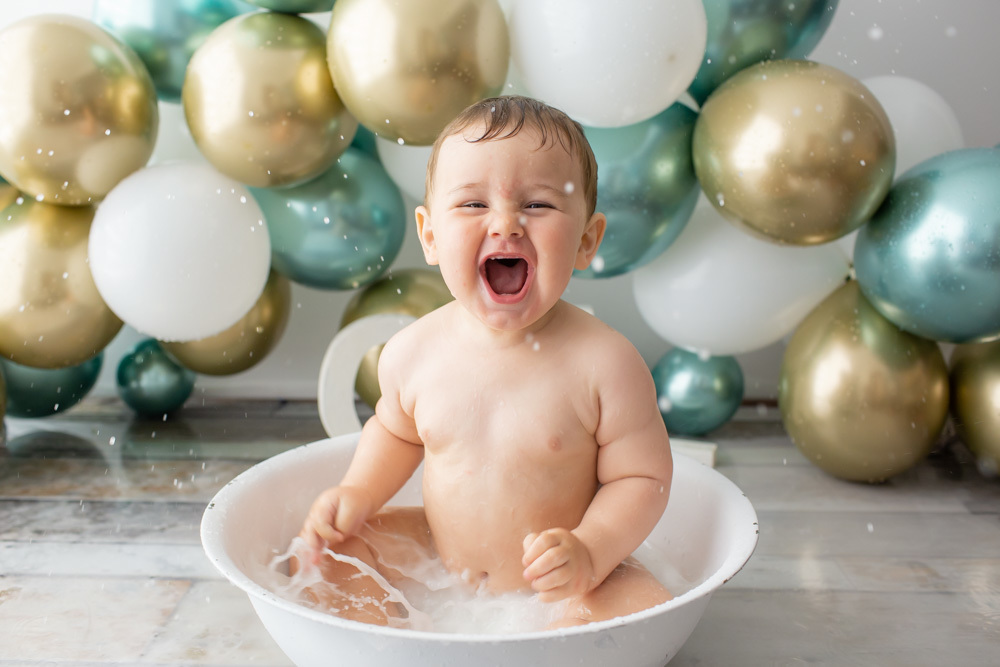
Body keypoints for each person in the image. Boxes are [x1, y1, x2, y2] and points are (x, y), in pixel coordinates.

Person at [296, 95, 673, 629]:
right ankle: (392, 641)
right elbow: (396, 433)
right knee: (326, 559)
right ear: (430, 236)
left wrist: (592, 549)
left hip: (566, 581)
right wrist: (358, 492)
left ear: (587, 241)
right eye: (473, 205)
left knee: (645, 607)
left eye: (538, 205)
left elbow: (642, 477)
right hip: (440, 560)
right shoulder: (414, 353)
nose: (506, 224)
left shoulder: (605, 364)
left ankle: (564, 628)